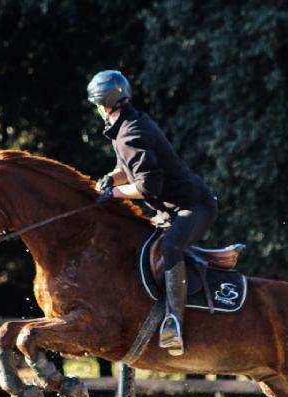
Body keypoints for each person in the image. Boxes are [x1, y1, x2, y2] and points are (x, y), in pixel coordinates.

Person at [87, 70, 217, 356]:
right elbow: (131, 169)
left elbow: (148, 184)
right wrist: (112, 178)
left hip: (194, 208)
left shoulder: (130, 132)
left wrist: (114, 194)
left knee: (171, 247)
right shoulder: (126, 127)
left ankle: (175, 323)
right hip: (171, 209)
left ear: (103, 104)